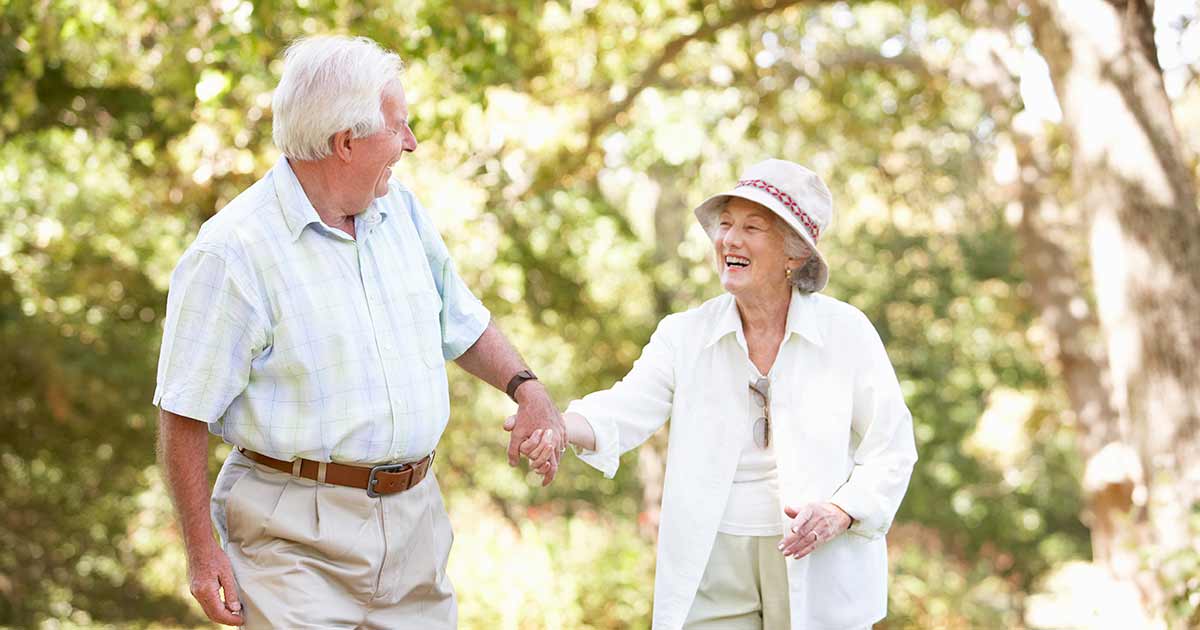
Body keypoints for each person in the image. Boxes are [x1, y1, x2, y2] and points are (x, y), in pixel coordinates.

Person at [154, 35, 565, 629]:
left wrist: (528, 388)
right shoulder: (232, 253)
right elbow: (183, 409)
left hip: (415, 527)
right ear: (345, 142)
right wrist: (200, 552)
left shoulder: (402, 213)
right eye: (399, 128)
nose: (411, 143)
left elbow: (461, 318)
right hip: (291, 540)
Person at [516, 159, 918, 629]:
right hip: (712, 555)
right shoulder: (684, 334)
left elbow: (891, 448)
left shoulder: (846, 332)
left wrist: (841, 511)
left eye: (753, 226)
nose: (730, 239)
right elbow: (624, 409)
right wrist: (556, 426)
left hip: (817, 556)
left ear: (794, 254)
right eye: (725, 224)